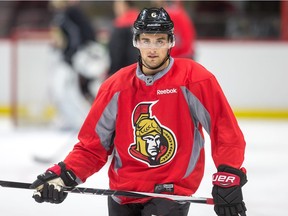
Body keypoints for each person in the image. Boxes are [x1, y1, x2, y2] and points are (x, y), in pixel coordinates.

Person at [30, 7, 248, 216]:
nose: (152, 48)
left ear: (170, 42)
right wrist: (63, 175)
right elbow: (92, 148)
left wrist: (228, 174)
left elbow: (224, 129)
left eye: (159, 40)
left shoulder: (194, 78)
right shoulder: (115, 86)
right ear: (137, 41)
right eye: (146, 40)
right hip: (122, 195)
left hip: (170, 195)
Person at [49, 0, 109, 130]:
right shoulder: (63, 14)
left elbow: (77, 35)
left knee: (78, 90)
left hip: (78, 59)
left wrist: (71, 55)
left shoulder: (71, 12)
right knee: (74, 90)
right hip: (75, 58)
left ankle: (87, 121)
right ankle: (79, 121)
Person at [107, 0, 139, 76]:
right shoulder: (140, 21)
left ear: (126, 6)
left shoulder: (121, 24)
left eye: (117, 6)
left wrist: (112, 71)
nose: (115, 9)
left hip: (123, 71)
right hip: (138, 69)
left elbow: (116, 51)